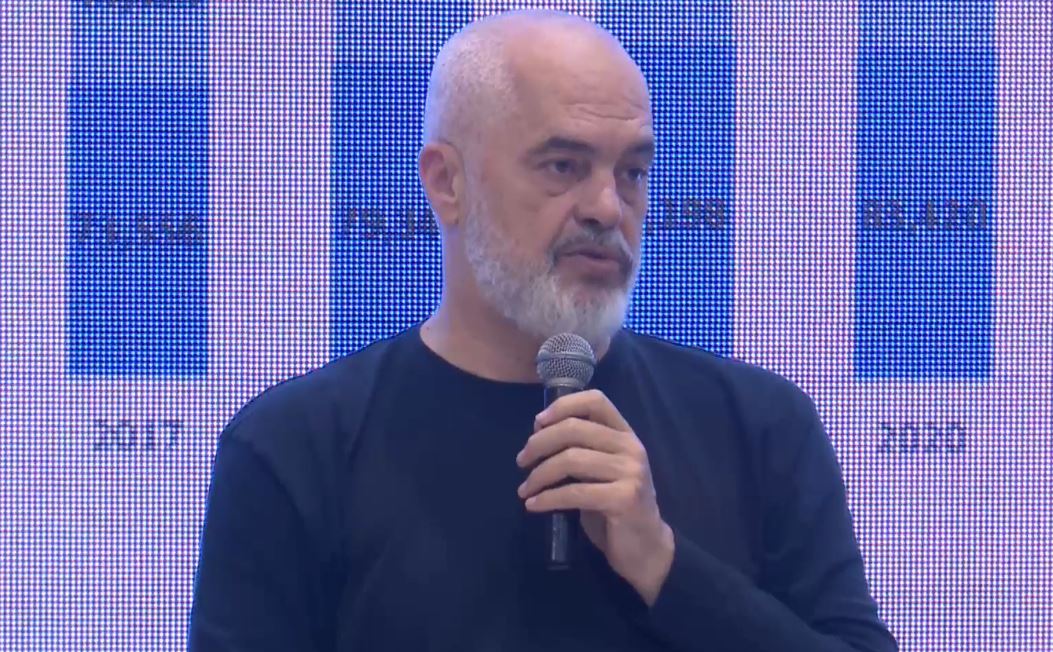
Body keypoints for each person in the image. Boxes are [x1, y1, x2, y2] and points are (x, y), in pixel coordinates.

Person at [188, 9, 897, 651]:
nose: (607, 208)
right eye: (564, 166)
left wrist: (665, 565)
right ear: (447, 183)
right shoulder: (295, 446)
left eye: (632, 172)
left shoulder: (759, 424)